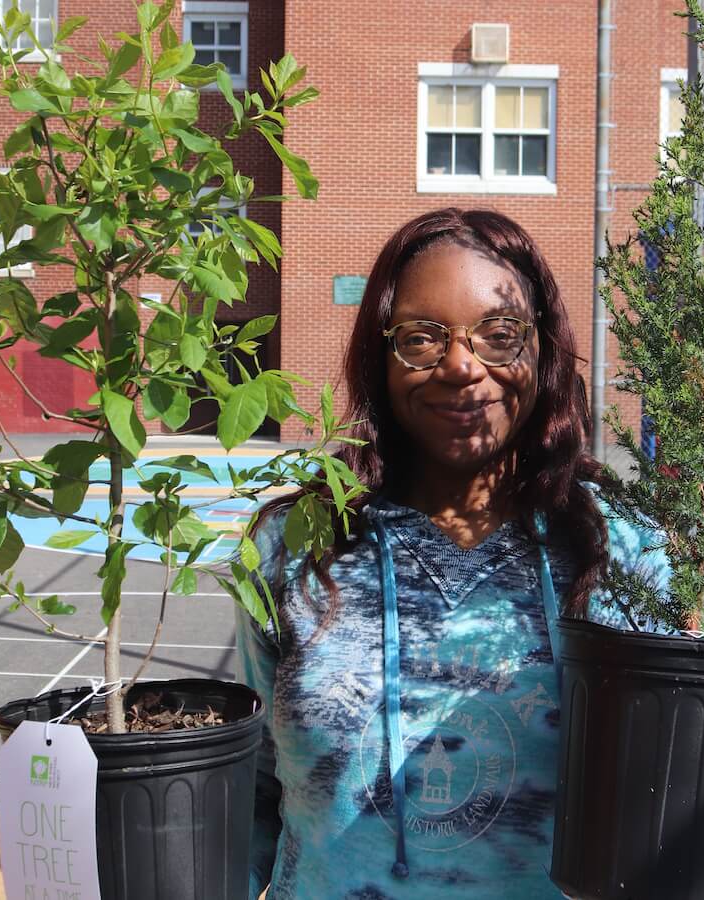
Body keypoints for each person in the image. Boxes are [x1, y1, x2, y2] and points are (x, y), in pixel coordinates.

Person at [233, 208, 670, 899]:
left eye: (499, 335)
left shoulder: (617, 548)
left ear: (542, 349)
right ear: (379, 356)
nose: (462, 365)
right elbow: (251, 785)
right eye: (420, 337)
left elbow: (672, 802)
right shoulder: (296, 545)